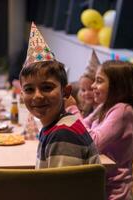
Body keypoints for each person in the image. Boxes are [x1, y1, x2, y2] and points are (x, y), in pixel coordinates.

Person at [19, 22, 100, 168]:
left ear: (66, 92)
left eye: (47, 87)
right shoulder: (56, 126)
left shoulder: (63, 135)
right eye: (29, 89)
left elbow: (61, 190)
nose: (37, 96)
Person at [66, 60, 133, 200]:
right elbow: (85, 124)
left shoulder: (122, 111)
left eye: (99, 81)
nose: (93, 86)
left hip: (112, 191)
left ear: (117, 86)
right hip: (97, 181)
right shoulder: (105, 106)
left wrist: (73, 110)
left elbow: (93, 142)